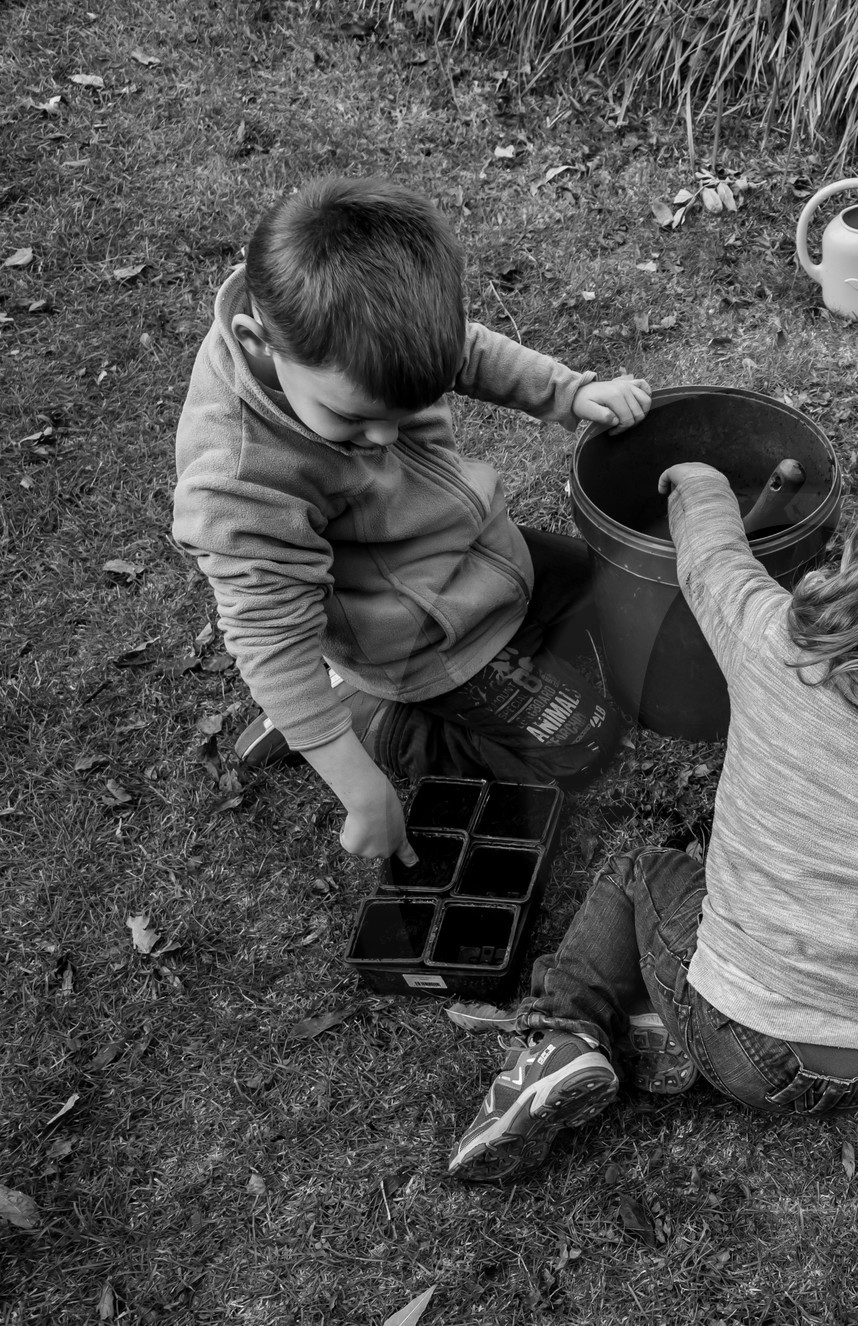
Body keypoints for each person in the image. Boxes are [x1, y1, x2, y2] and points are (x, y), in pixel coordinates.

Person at [446, 462, 858, 1180]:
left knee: (642, 871)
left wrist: (701, 484)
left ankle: (566, 1036)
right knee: (719, 872)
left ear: (855, 567)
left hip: (750, 1047)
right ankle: (673, 1034)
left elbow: (713, 562)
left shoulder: (775, 645)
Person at [173, 176, 650, 864]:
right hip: (416, 640)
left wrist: (573, 394)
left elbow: (470, 350)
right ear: (256, 341)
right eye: (358, 420)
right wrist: (360, 787)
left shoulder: (347, 325)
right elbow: (269, 631)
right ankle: (376, 720)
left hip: (478, 556)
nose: (386, 440)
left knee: (620, 590)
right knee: (583, 744)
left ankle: (378, 689)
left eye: (407, 410)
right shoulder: (240, 479)